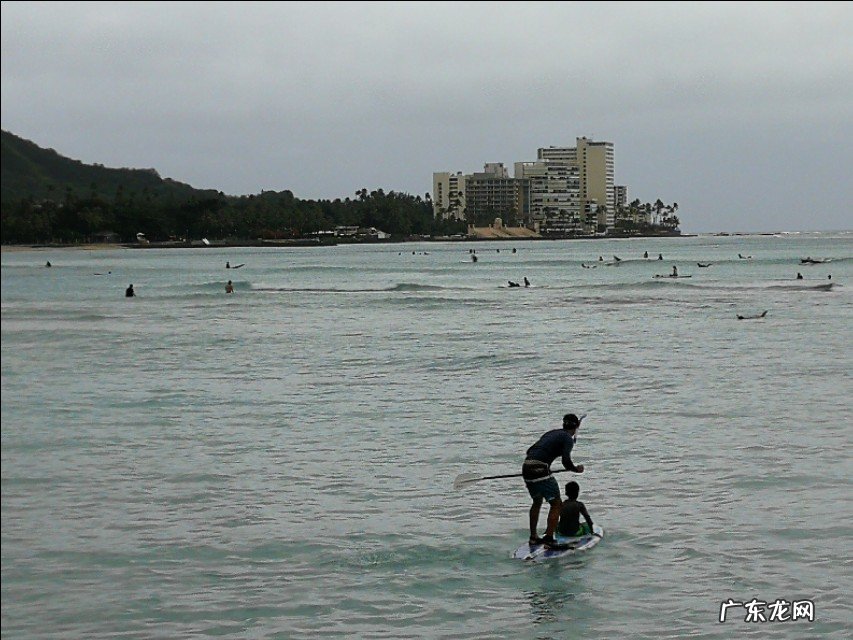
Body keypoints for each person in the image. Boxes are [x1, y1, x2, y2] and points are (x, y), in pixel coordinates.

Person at [522, 413, 585, 547]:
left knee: (537, 501)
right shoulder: (567, 438)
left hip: (526, 467)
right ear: (576, 427)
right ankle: (549, 539)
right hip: (540, 469)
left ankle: (533, 537)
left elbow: (530, 451)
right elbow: (566, 462)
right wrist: (576, 469)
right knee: (556, 504)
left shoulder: (552, 433)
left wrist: (546, 465)